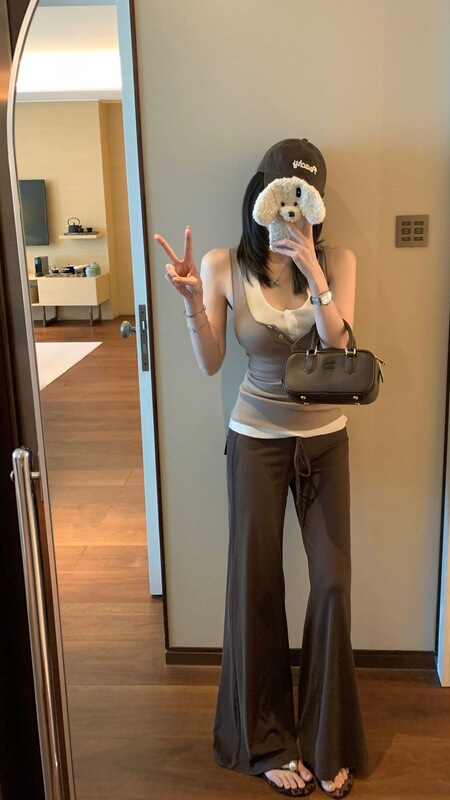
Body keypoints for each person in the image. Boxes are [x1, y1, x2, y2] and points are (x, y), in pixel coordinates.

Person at [155, 139, 367, 799]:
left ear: (316, 207)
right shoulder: (223, 263)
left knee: (332, 584)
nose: (289, 213)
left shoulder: (337, 260)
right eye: (280, 198)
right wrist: (192, 300)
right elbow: (211, 362)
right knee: (257, 586)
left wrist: (314, 270)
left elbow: (340, 344)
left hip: (325, 441)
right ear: (259, 197)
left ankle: (328, 742)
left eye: (302, 201)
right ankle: (267, 740)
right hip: (255, 439)